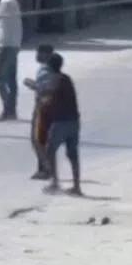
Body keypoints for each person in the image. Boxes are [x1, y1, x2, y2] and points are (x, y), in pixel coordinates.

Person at [42, 52, 81, 196]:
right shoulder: (66, 78)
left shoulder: (53, 79)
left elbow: (50, 100)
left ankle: (55, 182)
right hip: (74, 121)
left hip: (61, 122)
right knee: (73, 154)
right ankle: (77, 186)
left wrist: (43, 101)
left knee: (50, 149)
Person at [23, 44, 56, 180]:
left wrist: (32, 84)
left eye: (40, 53)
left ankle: (47, 168)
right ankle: (43, 168)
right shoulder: (48, 68)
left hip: (43, 106)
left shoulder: (46, 70)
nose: (37, 56)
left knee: (37, 138)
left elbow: (46, 89)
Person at [0, 0, 23, 121]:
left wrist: (2, 45)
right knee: (11, 79)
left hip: (6, 45)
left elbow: (5, 24)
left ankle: (8, 109)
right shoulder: (12, 0)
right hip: (14, 44)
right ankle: (12, 110)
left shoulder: (6, 2)